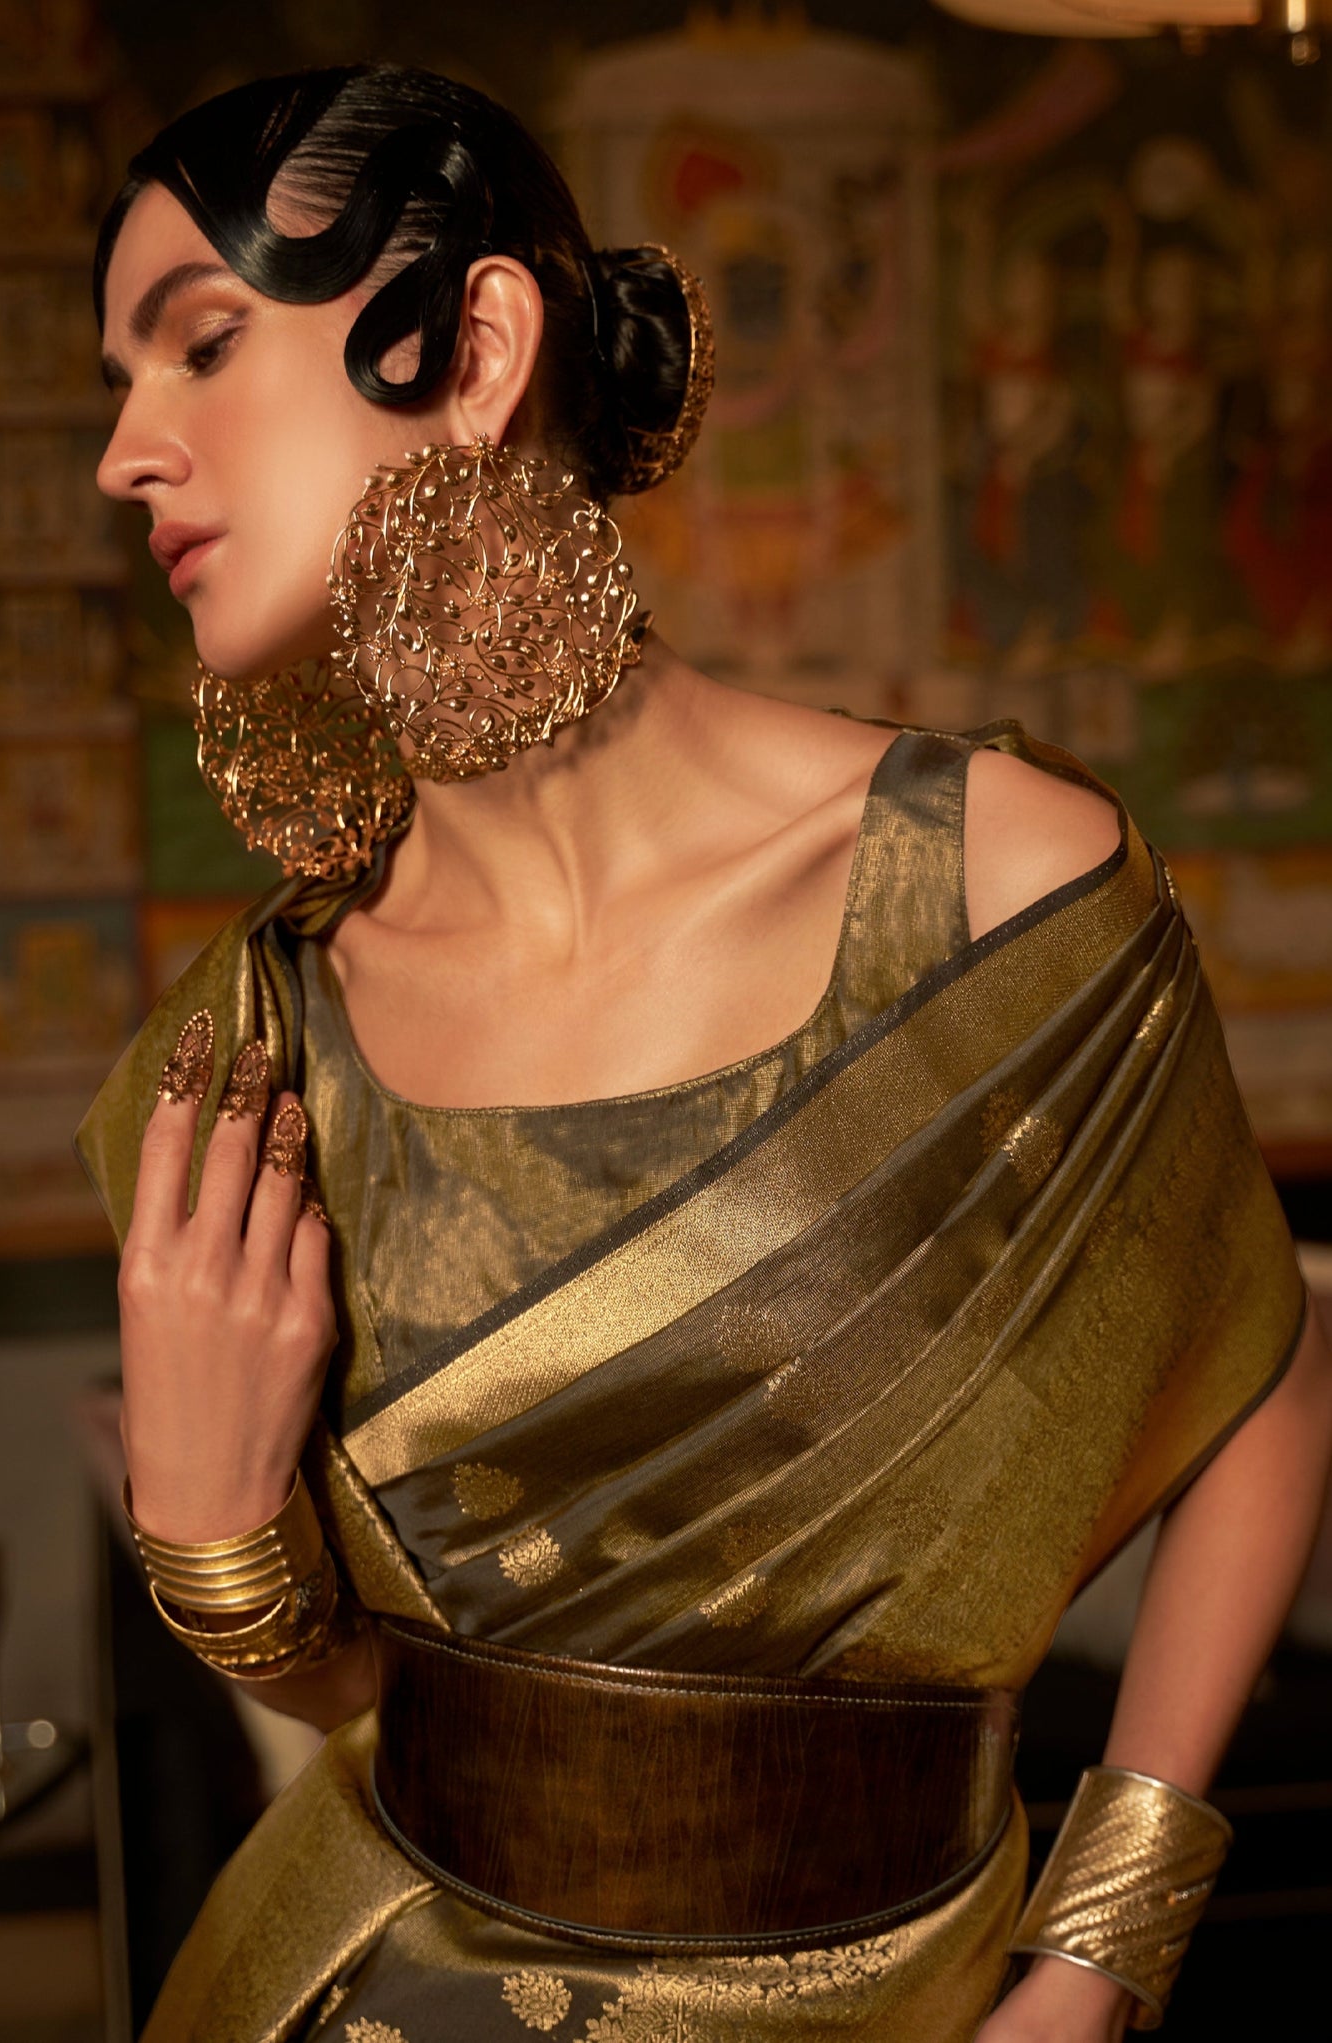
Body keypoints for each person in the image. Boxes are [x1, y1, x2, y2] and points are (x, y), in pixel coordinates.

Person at [78, 63, 1332, 2043]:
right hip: (366, 1980)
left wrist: (1097, 1957)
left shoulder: (999, 890)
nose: (125, 455)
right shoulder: (251, 1052)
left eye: (200, 347)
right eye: (113, 387)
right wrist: (211, 1525)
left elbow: (1261, 1386)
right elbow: (403, 1706)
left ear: (473, 343)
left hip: (905, 1981)